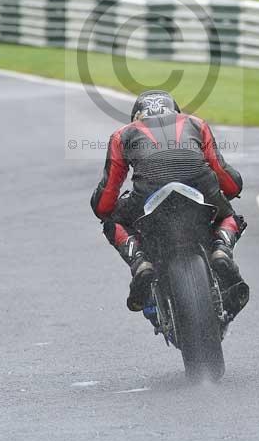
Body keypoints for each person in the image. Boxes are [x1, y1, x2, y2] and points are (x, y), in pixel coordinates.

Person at [91, 90, 249, 317]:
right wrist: (230, 190)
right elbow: (228, 179)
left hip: (147, 194)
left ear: (137, 116)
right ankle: (221, 250)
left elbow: (106, 199)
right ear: (175, 111)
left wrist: (103, 209)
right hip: (201, 188)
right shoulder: (196, 124)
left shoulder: (122, 135)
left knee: (113, 223)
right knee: (229, 217)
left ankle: (140, 263)